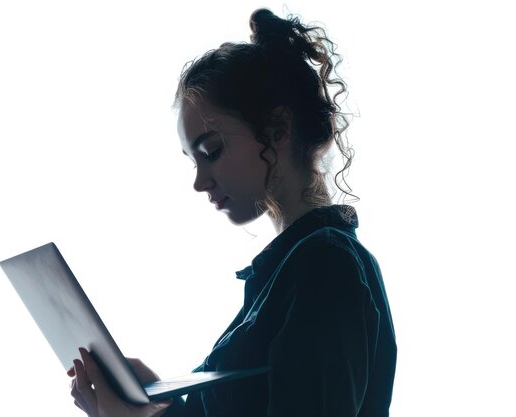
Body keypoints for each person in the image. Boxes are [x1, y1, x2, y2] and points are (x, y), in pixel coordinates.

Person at [68, 8, 397, 417]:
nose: (200, 182)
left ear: (278, 130)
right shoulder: (288, 274)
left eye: (212, 152)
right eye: (194, 162)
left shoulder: (325, 265)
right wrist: (160, 407)